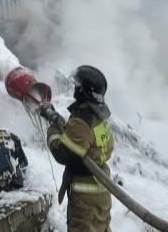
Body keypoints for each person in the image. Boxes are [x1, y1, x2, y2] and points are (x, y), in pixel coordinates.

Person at [43, 65, 115, 232]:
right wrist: (56, 117)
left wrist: (53, 130)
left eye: (78, 84)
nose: (75, 87)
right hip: (101, 190)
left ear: (86, 91)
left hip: (85, 197)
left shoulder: (83, 120)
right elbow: (80, 136)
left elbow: (63, 153)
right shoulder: (99, 115)